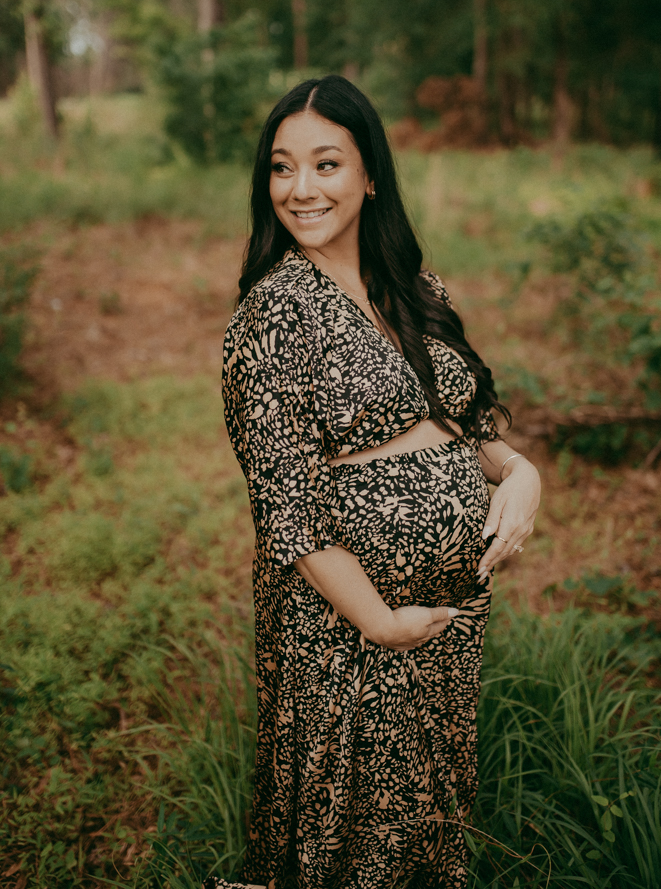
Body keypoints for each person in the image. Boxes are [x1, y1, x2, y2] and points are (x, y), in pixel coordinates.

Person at [215, 75, 541, 889]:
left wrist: (519, 471)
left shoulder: (417, 289)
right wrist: (380, 623)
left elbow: (469, 426)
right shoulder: (275, 313)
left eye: (325, 164)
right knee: (346, 828)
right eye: (281, 168)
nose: (300, 189)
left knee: (425, 818)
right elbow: (285, 507)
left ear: (369, 175)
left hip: (444, 620)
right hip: (346, 628)